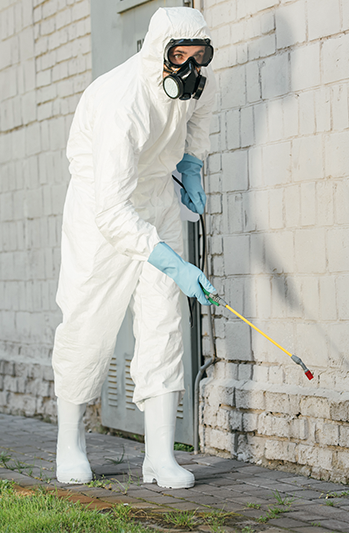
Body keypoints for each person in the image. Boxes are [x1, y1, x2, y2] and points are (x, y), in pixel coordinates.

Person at [51, 7, 217, 490]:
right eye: (178, 57)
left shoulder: (198, 82)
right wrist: (171, 261)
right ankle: (69, 444)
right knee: (88, 318)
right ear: (156, 54)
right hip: (101, 208)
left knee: (163, 322)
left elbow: (197, 116)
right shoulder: (121, 102)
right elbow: (111, 209)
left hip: (156, 197)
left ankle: (160, 457)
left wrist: (190, 165)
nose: (189, 68)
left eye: (198, 58)